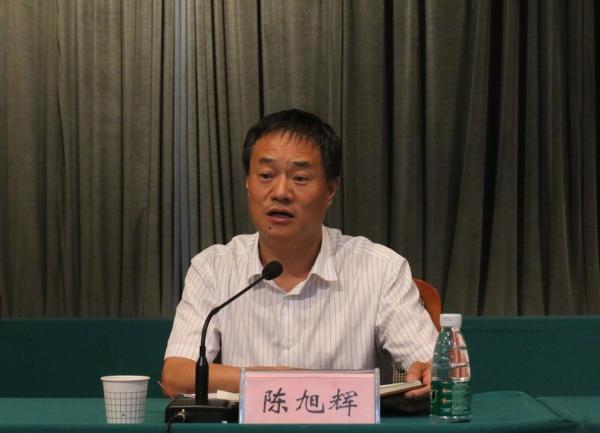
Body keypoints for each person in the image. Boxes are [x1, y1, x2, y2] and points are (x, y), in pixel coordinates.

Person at [162, 109, 438, 412]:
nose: (280, 192)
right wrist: (285, 380)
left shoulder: (380, 269)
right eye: (266, 176)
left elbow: (437, 370)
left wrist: (430, 371)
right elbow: (177, 377)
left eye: (300, 178)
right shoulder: (213, 268)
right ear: (247, 183)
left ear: (330, 190)